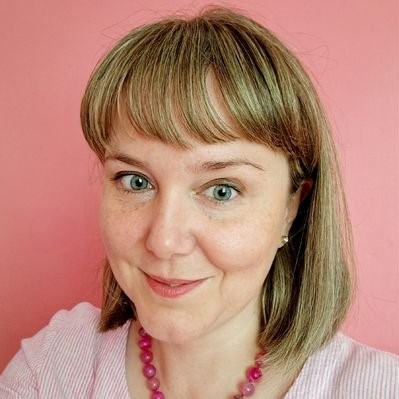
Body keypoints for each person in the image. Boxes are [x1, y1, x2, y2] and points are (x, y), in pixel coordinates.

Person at [1, 6, 398, 399]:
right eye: (135, 181)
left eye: (222, 190)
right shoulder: (52, 366)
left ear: (292, 207)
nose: (165, 241)